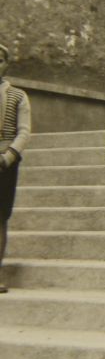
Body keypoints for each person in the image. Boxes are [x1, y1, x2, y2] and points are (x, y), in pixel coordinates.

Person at [0, 44, 31, 294]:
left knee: (0, 218)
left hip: (4, 162)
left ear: (6, 64)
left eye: (0, 60)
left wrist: (8, 156)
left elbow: (24, 131)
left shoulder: (18, 95)